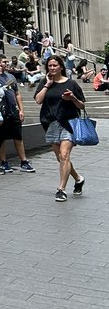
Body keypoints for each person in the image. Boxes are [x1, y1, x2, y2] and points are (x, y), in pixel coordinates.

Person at [33, 56, 86, 201]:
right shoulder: (45, 82)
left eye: (55, 65)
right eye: (49, 65)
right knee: (61, 158)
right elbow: (38, 100)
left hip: (68, 123)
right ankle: (78, 178)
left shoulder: (72, 83)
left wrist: (73, 99)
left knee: (64, 155)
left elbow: (82, 105)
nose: (52, 68)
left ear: (61, 67)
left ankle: (61, 189)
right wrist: (47, 85)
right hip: (50, 123)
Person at [0, 56, 35, 173]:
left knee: (18, 136)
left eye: (7, 61)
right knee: (1, 138)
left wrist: (21, 110)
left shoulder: (11, 77)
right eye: (4, 62)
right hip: (1, 112)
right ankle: (3, 162)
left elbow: (17, 94)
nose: (8, 63)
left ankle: (24, 161)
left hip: (13, 111)